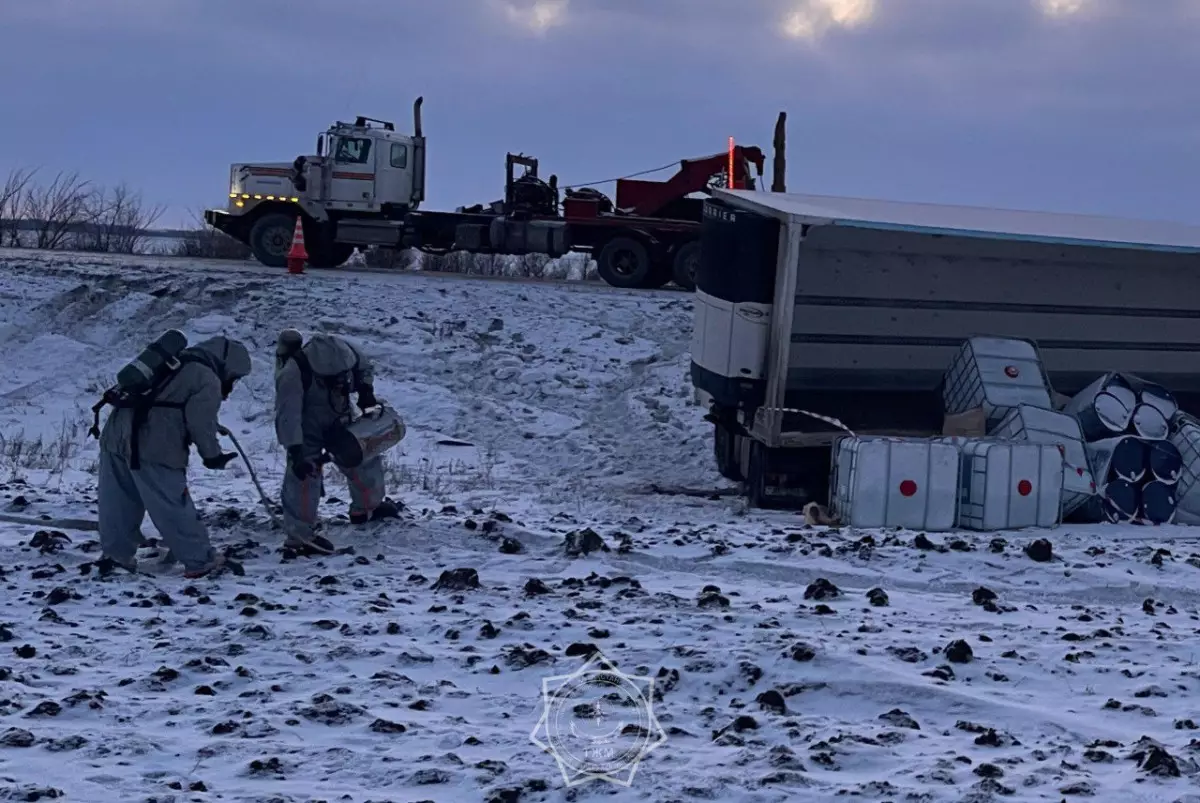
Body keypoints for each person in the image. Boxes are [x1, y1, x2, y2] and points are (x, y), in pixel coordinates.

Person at [97, 335, 253, 578]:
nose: (231, 385)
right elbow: (200, 423)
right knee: (173, 504)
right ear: (227, 367)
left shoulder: (171, 362)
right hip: (155, 445)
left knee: (118, 503)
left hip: (115, 436)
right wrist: (212, 455)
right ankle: (200, 560)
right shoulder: (207, 378)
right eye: (234, 378)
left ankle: (116, 557)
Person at [274, 329, 399, 550]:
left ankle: (367, 507)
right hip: (306, 426)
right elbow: (287, 414)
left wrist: (365, 390)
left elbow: (364, 368)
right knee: (303, 476)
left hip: (339, 416)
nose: (341, 381)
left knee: (361, 455)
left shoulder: (349, 354)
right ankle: (300, 536)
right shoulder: (292, 373)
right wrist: (294, 448)